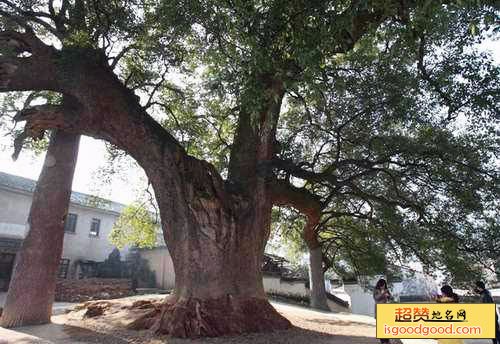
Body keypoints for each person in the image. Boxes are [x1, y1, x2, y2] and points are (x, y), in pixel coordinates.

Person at [373, 278, 391, 344]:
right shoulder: (376, 290)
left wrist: (388, 295)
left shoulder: (387, 290)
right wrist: (383, 294)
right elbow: (376, 298)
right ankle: (382, 341)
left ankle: (387, 340)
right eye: (382, 285)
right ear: (379, 285)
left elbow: (389, 298)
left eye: (384, 285)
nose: (383, 286)